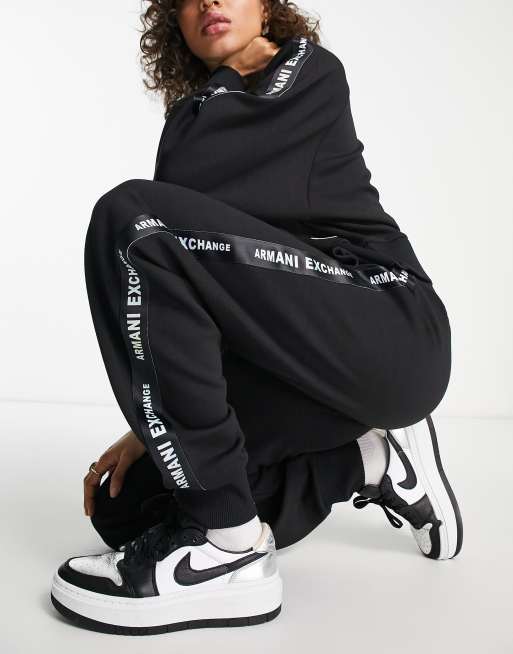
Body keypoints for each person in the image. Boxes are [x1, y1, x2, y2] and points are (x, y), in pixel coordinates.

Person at [50, 0, 463, 636]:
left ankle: (230, 548)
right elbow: (194, 300)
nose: (209, 2)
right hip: (292, 362)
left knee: (132, 220)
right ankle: (372, 463)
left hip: (386, 326)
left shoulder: (308, 71)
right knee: (129, 505)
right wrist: (157, 421)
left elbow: (190, 234)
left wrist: (197, 120)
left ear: (267, 6)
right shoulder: (190, 118)